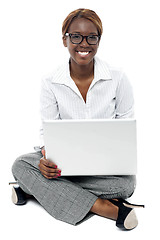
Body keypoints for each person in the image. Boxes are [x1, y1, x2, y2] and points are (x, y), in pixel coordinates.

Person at [11, 8, 144, 230]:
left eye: (92, 37)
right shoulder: (50, 81)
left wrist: (118, 156)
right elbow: (47, 130)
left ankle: (31, 188)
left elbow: (125, 126)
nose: (84, 44)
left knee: (126, 185)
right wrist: (45, 158)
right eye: (76, 36)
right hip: (64, 164)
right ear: (65, 40)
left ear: (99, 40)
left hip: (106, 167)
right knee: (21, 164)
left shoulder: (118, 77)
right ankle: (106, 208)